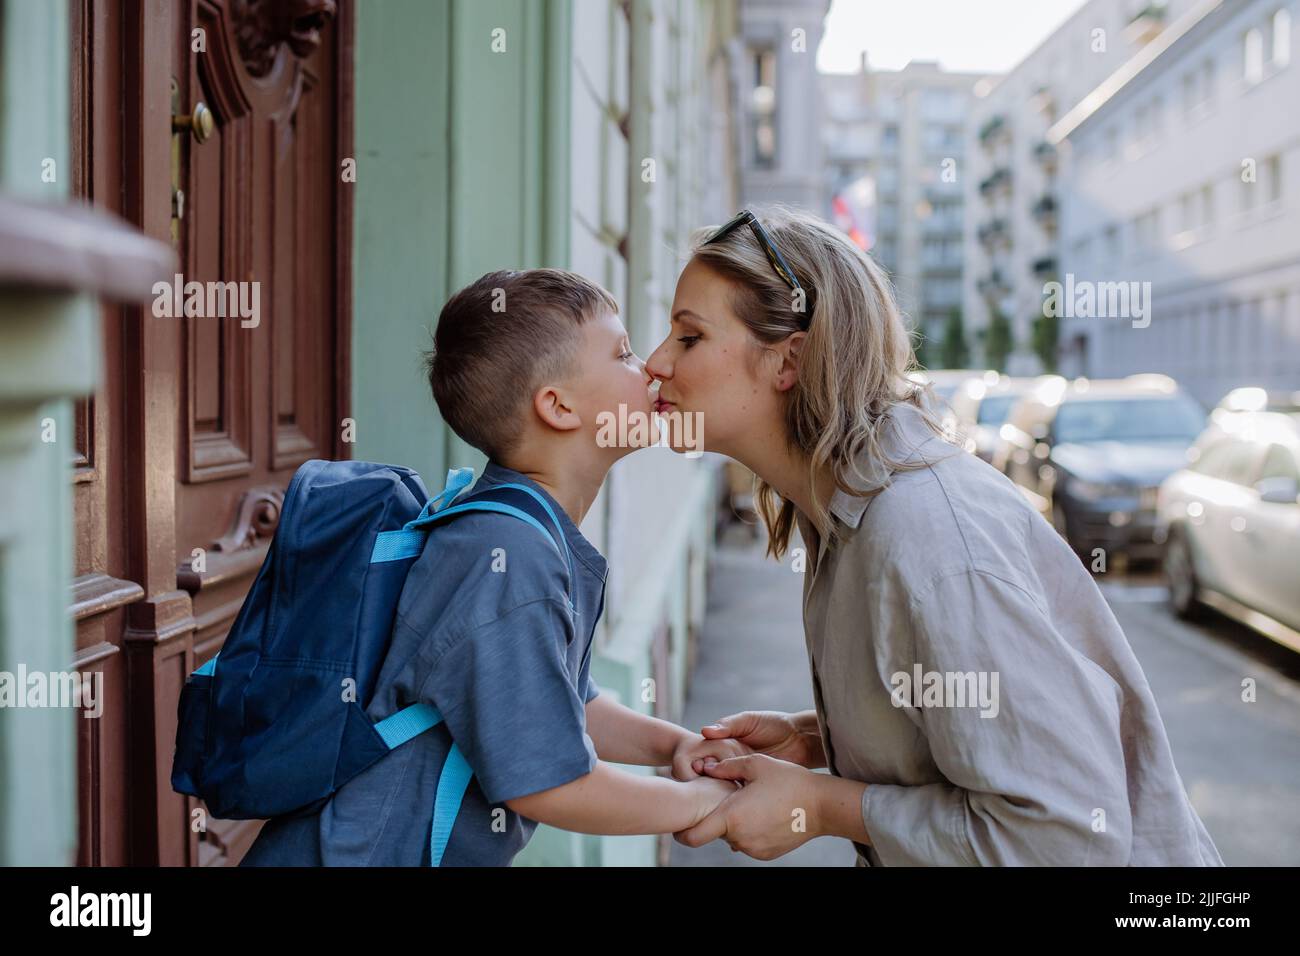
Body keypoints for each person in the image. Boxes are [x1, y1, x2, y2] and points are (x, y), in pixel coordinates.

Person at [648, 207, 1224, 866]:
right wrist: (821, 741)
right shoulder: (848, 508)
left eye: (688, 337)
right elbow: (964, 728)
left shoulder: (930, 543)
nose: (656, 362)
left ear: (790, 359)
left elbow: (1065, 836)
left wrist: (824, 805)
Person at [242, 268, 736, 866]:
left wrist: (677, 746)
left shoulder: (517, 529)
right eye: (624, 353)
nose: (651, 367)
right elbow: (548, 782)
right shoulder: (506, 554)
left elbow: (565, 705)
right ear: (558, 406)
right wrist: (705, 805)